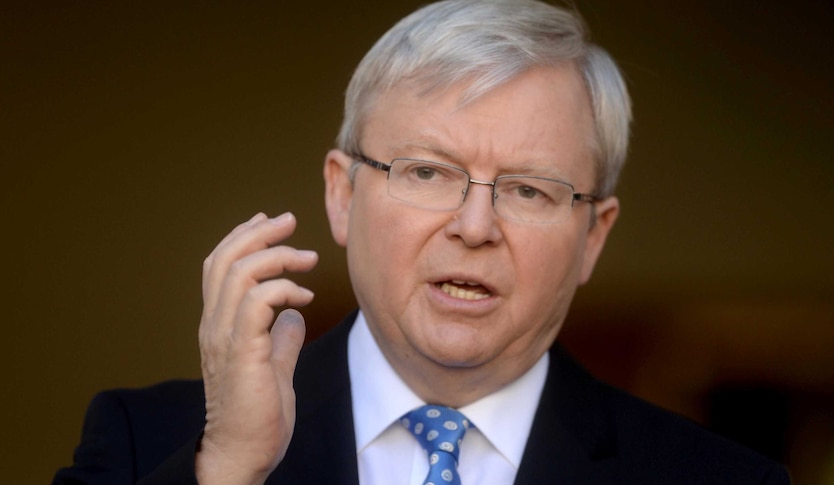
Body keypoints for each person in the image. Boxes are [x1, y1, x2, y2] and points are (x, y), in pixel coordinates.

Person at [55, 1, 791, 483]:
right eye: (428, 172)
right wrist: (230, 468)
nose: (474, 227)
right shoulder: (147, 446)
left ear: (593, 236)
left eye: (529, 189)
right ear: (342, 195)